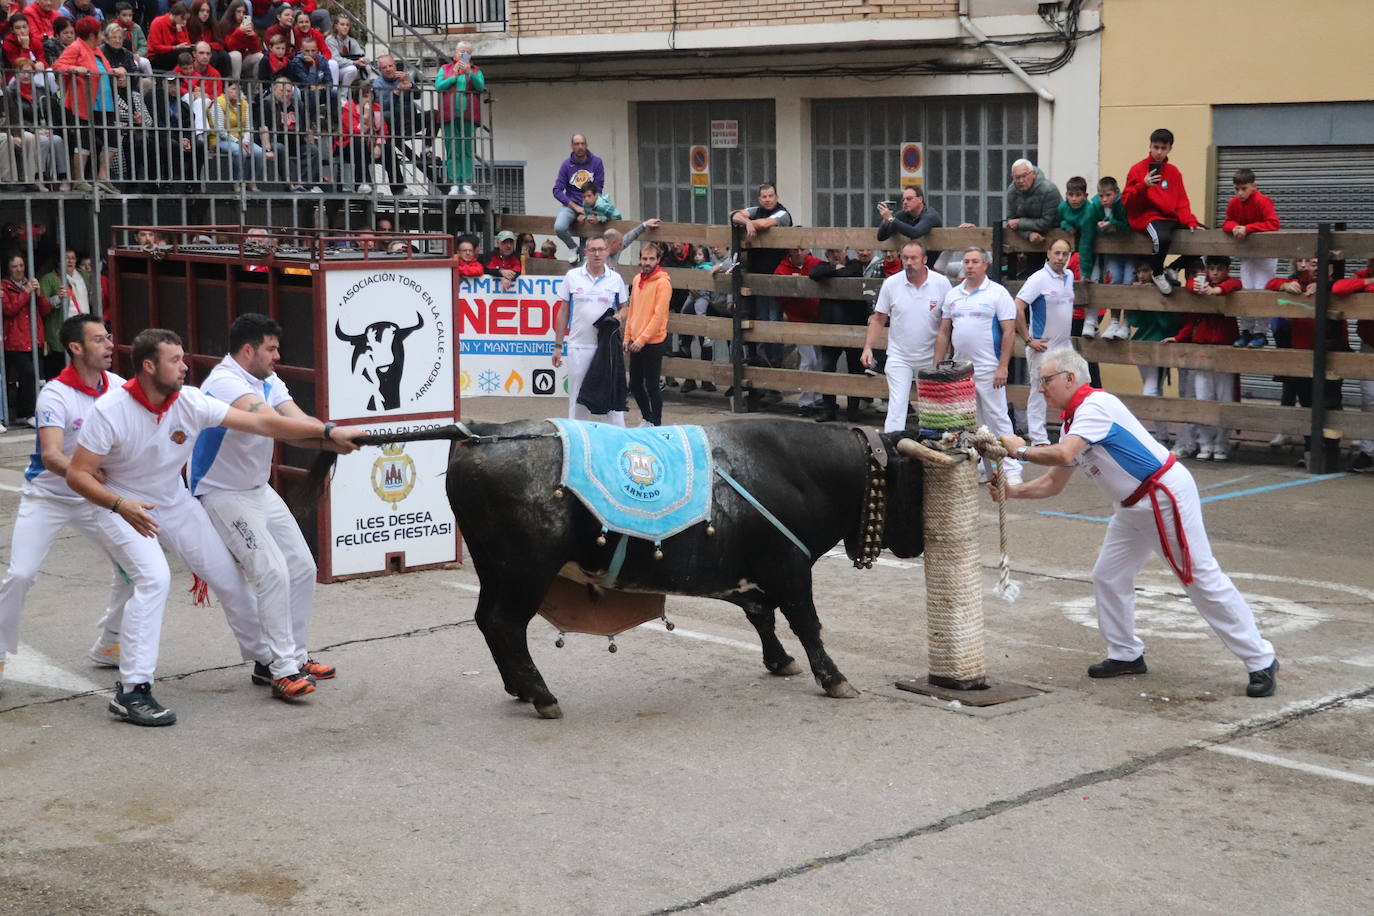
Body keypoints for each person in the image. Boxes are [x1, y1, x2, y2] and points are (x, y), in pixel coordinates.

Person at [66, 328, 366, 726]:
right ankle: (132, 690)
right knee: (154, 579)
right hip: (119, 505)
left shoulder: (190, 402)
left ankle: (267, 661)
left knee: (228, 578)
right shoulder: (111, 411)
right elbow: (78, 475)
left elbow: (262, 425)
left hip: (172, 500)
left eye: (183, 358)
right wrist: (121, 503)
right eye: (175, 360)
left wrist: (327, 434)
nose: (186, 366)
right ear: (149, 366)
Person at [994, 346, 1279, 698]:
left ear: (1070, 378)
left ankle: (1261, 659)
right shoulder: (1076, 418)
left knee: (1200, 577)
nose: (1040, 388)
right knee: (1109, 575)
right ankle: (1125, 654)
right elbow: (1054, 482)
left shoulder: (1094, 406)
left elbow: (1063, 454)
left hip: (1160, 497)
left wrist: (1017, 450)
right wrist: (1012, 492)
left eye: (1045, 380)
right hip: (1134, 505)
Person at [190, 314, 338, 696]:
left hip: (257, 489)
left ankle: (295, 656)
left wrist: (329, 438)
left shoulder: (268, 379)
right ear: (248, 350)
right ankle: (280, 669)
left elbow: (297, 419)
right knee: (271, 571)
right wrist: (328, 436)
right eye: (271, 349)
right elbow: (270, 422)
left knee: (303, 568)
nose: (278, 355)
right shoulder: (225, 382)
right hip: (222, 493)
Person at [0, 314, 131, 684]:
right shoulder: (55, 394)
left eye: (109, 337)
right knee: (22, 574)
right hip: (48, 496)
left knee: (135, 569)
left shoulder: (119, 387)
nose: (109, 345)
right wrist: (88, 472)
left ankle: (111, 642)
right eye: (100, 340)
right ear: (76, 348)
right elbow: (54, 456)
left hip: (94, 498)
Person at [933, 247, 1023, 483]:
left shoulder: (998, 293)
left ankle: (1012, 471)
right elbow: (944, 332)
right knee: (971, 421)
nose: (970, 266)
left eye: (975, 261)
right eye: (966, 261)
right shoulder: (953, 295)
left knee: (998, 417)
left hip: (989, 367)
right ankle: (985, 469)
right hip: (962, 369)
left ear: (985, 265)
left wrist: (1003, 366)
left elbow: (1009, 332)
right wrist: (937, 366)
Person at [863, 239, 950, 433]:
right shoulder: (891, 284)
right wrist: (868, 347)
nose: (909, 262)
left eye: (914, 258)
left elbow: (948, 323)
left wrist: (941, 358)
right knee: (896, 406)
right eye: (905, 258)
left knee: (931, 409)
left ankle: (932, 449)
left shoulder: (942, 283)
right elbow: (878, 319)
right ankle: (892, 451)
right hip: (899, 356)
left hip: (930, 356)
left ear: (924, 259)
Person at [1163, 255, 1241, 461]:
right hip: (1201, 352)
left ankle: (1221, 444)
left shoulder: (1230, 286)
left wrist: (1217, 290)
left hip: (1225, 353)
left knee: (1224, 399)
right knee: (1202, 398)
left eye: (1219, 269)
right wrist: (1179, 337)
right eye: (1212, 268)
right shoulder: (1201, 287)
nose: (1215, 273)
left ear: (1226, 270)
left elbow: (1236, 283)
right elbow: (1190, 289)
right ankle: (1205, 444)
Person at [551, 233, 627, 425]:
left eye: (601, 249)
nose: (597, 254)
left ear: (607, 251)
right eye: (592, 250)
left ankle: (618, 438)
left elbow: (624, 308)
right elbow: (563, 311)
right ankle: (578, 438)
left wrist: (620, 317)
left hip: (606, 347)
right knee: (578, 396)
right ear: (586, 252)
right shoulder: (572, 277)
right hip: (579, 346)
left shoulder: (615, 279)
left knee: (611, 395)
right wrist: (558, 345)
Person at [1122, 128, 1200, 296]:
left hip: (1170, 217)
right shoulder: (1137, 170)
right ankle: (1157, 273)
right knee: (1161, 237)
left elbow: (1181, 201)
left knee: (1204, 237)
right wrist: (1143, 186)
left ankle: (1173, 267)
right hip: (1147, 216)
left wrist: (1189, 221)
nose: (1158, 152)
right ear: (1149, 146)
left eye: (1163, 148)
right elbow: (1127, 201)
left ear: (1170, 148)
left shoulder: (1174, 172)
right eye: (1155, 147)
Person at [1014, 236, 1075, 446]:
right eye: (1056, 253)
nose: (1060, 258)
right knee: (1039, 392)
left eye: (1064, 254)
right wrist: (1029, 339)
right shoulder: (1038, 278)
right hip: (1043, 348)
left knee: (1072, 390)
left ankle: (1067, 437)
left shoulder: (1070, 275)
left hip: (1065, 348)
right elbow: (1017, 306)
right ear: (1048, 253)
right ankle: (1039, 440)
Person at [53, 15, 121, 194]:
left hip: (105, 104)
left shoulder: (97, 51)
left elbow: (103, 71)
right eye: (99, 32)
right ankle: (79, 180)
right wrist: (74, 69)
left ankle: (103, 178)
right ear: (92, 34)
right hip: (85, 103)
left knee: (112, 140)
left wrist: (116, 72)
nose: (102, 36)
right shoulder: (76, 47)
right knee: (83, 142)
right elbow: (58, 66)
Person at [730, 182, 792, 371]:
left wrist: (747, 222)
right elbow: (733, 215)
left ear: (777, 197)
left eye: (771, 196)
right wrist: (746, 222)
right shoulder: (755, 210)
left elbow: (765, 224)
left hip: (776, 277)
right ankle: (763, 362)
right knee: (761, 319)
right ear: (759, 199)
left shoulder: (783, 213)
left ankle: (776, 362)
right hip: (756, 276)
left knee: (774, 319)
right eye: (764, 196)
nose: (767, 199)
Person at [1221, 167, 1281, 347]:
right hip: (1247, 254)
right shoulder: (1233, 203)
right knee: (1246, 290)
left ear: (1254, 186)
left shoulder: (1263, 201)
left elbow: (1273, 223)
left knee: (1262, 291)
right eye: (1236, 189)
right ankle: (1246, 330)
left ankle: (1261, 332)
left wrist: (1248, 228)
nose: (1240, 193)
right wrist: (1234, 227)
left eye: (1244, 188)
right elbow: (1227, 221)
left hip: (1266, 254)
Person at [809, 247, 868, 423]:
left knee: (854, 370)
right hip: (829, 330)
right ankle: (829, 409)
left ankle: (853, 411)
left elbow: (851, 273)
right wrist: (834, 269)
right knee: (827, 369)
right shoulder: (823, 266)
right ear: (826, 255)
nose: (835, 255)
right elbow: (814, 273)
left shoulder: (856, 265)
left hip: (853, 328)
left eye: (838, 251)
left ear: (846, 251)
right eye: (831, 252)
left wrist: (833, 273)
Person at [1126, 261, 1179, 446]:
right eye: (1138, 271)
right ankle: (1162, 436)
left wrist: (1154, 297)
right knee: (1154, 390)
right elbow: (1134, 320)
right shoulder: (1139, 288)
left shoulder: (1166, 290)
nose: (1141, 276)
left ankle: (1155, 438)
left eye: (1146, 270)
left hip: (1159, 347)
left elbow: (1169, 324)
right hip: (1142, 346)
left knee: (1151, 390)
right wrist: (1140, 297)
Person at [773, 244, 825, 416]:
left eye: (801, 249)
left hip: (817, 318)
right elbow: (779, 293)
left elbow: (826, 270)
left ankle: (818, 397)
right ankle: (805, 401)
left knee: (818, 358)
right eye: (794, 249)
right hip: (798, 320)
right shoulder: (782, 269)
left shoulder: (814, 262)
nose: (798, 253)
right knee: (807, 359)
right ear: (789, 251)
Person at [623, 243, 670, 427]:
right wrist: (627, 337)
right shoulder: (637, 280)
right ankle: (647, 417)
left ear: (658, 260)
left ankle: (656, 423)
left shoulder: (663, 283)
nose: (647, 262)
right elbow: (632, 309)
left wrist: (642, 339)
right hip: (636, 340)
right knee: (634, 384)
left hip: (652, 341)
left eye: (651, 259)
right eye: (644, 258)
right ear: (640, 259)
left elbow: (659, 316)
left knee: (652, 385)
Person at [2, 251, 50, 426]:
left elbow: (45, 311)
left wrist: (38, 294)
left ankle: (26, 412)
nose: (19, 270)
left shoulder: (31, 284)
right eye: (14, 266)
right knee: (28, 373)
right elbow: (9, 309)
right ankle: (26, 412)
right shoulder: (4, 287)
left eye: (21, 266)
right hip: (15, 341)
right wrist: (26, 292)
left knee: (34, 376)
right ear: (8, 269)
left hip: (33, 337)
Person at [1083, 175, 1131, 338]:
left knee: (1129, 283)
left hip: (1132, 250)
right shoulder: (1094, 207)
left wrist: (1114, 225)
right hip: (1112, 252)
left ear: (1116, 193)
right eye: (1101, 195)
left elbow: (1130, 224)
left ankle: (1127, 323)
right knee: (1116, 281)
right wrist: (1086, 270)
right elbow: (1087, 235)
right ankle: (1115, 321)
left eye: (1108, 195)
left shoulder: (1124, 203)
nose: (1104, 199)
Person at [434, 39, 482, 198]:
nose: (464, 54)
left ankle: (466, 183)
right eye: (461, 52)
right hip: (450, 115)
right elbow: (439, 86)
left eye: (467, 52)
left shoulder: (475, 70)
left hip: (468, 115)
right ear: (455, 53)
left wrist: (469, 73)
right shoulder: (445, 68)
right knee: (452, 148)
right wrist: (453, 76)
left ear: (471, 55)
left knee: (467, 149)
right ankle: (455, 183)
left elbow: (481, 87)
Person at [257, 73, 320, 191]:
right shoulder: (267, 103)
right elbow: (263, 127)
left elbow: (307, 127)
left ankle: (305, 185)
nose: (286, 94)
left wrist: (311, 143)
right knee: (280, 148)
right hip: (275, 141)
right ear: (274, 90)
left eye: (289, 91)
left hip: (296, 142)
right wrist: (267, 149)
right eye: (282, 90)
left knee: (312, 150)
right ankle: (290, 184)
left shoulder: (298, 104)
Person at [1005, 158, 1062, 275]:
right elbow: (1011, 222)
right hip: (1029, 240)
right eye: (1017, 177)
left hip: (1055, 235)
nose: (1021, 180)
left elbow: (1047, 222)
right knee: (1031, 275)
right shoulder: (1012, 192)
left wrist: (1020, 223)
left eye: (1024, 176)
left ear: (1033, 174)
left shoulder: (1049, 190)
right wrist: (1028, 234)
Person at [551, 133, 604, 258]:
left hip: (590, 206)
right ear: (572, 146)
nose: (580, 147)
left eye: (582, 143)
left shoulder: (596, 162)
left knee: (586, 248)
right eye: (576, 144)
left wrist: (587, 210)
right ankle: (572, 247)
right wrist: (575, 207)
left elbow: (599, 188)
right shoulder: (566, 165)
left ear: (586, 145)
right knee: (559, 227)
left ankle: (582, 264)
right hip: (571, 205)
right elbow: (557, 190)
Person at [39, 247, 87, 378]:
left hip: (81, 331)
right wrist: (57, 298)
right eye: (66, 258)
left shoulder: (82, 276)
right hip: (59, 333)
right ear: (58, 261)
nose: (70, 261)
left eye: (72, 258)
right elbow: (42, 306)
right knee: (59, 372)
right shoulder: (49, 279)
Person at [207, 80, 264, 188]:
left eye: (239, 89)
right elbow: (220, 130)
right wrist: (238, 142)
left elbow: (248, 127)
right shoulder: (218, 103)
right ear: (225, 90)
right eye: (233, 89)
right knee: (240, 152)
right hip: (221, 139)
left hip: (242, 139)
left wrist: (246, 141)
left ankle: (250, 181)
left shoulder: (244, 103)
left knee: (259, 152)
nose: (237, 92)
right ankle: (237, 182)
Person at [875, 185, 943, 265]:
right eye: (903, 200)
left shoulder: (930, 215)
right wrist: (886, 220)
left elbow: (915, 232)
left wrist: (891, 219)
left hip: (933, 264)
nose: (905, 202)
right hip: (909, 263)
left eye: (909, 199)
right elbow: (881, 237)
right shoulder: (903, 214)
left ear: (920, 199)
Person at [216, 0, 260, 79]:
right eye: (238, 12)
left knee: (260, 56)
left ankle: (255, 88)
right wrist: (239, 31)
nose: (241, 15)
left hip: (244, 60)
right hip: (230, 59)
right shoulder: (224, 25)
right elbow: (229, 47)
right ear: (232, 12)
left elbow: (255, 50)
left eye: (244, 12)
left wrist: (253, 36)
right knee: (236, 55)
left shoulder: (248, 25)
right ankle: (236, 86)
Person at [145, 1, 190, 71]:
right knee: (180, 54)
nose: (184, 22)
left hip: (172, 53)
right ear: (174, 15)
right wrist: (175, 47)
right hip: (156, 57)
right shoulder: (158, 22)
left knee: (189, 52)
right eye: (182, 18)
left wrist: (180, 32)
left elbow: (186, 45)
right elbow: (156, 47)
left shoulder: (180, 25)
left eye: (186, 19)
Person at [323, 10, 365, 87]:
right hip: (333, 70)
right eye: (342, 24)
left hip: (346, 68)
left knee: (367, 68)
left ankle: (363, 95)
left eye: (347, 25)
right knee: (352, 69)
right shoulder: (330, 40)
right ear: (336, 26)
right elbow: (335, 59)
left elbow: (360, 53)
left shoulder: (351, 40)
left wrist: (364, 59)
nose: (345, 27)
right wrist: (354, 62)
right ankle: (342, 96)